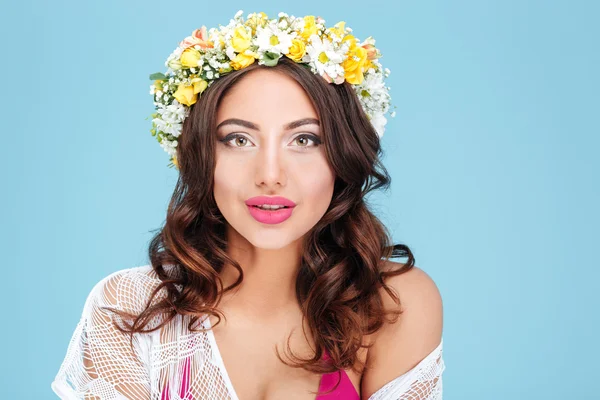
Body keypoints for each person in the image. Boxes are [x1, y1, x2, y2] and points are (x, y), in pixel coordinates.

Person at [51, 10, 445, 400]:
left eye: (305, 140)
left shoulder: (392, 305)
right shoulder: (128, 308)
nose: (270, 175)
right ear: (200, 155)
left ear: (343, 156)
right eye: (239, 139)